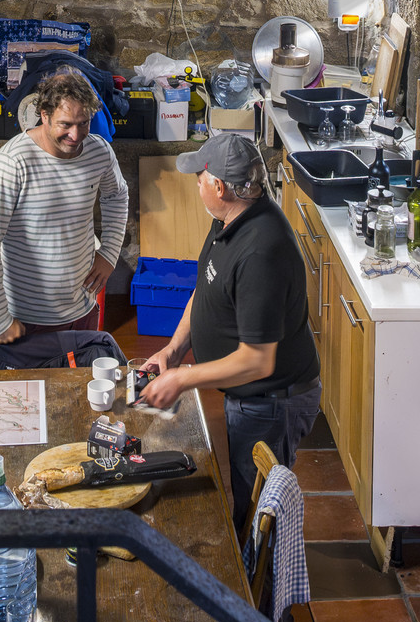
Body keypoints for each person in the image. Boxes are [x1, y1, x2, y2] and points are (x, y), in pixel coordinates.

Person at [137, 131, 320, 531]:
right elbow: (205, 288)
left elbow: (257, 360)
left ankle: (259, 588)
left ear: (218, 186)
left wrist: (183, 379)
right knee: (243, 496)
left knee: (257, 514)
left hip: (272, 402)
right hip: (252, 397)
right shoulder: (230, 217)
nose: (196, 184)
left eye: (199, 178)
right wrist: (173, 351)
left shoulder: (260, 251)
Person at [0, 67, 128, 368]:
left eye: (84, 123)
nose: (76, 135)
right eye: (65, 124)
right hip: (25, 318)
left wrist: (108, 253)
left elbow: (117, 195)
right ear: (43, 115)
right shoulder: (12, 162)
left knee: (80, 398)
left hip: (82, 308)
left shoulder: (99, 151)